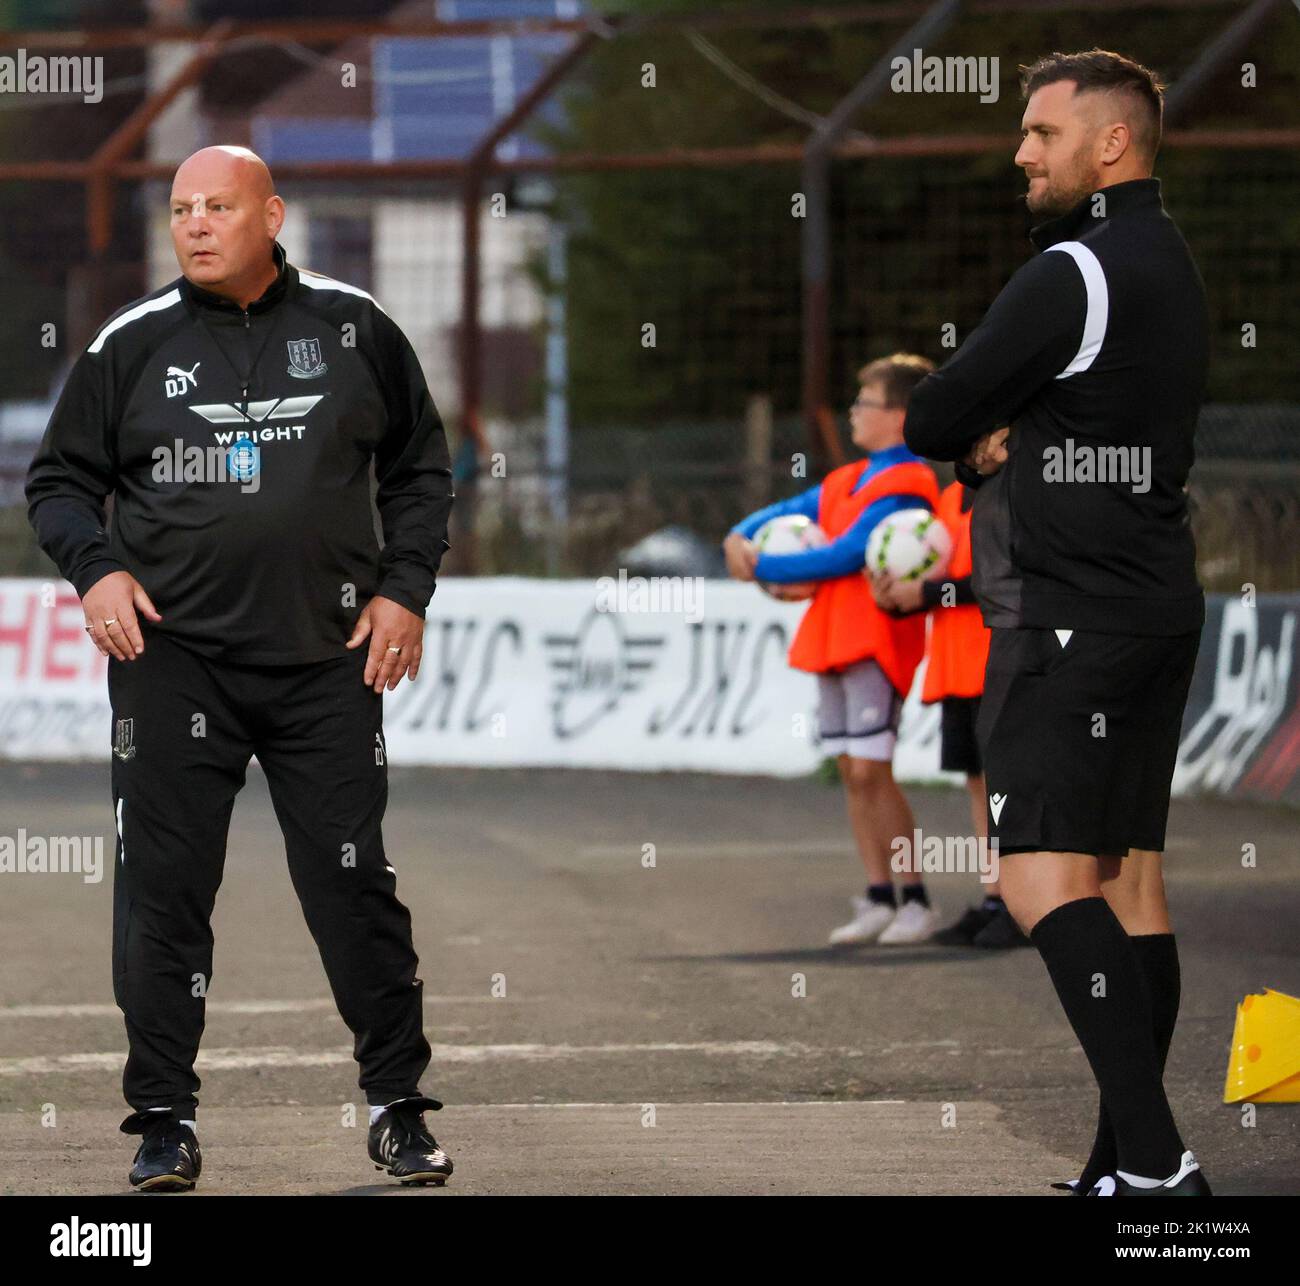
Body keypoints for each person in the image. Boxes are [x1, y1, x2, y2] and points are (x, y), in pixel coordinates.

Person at [26, 146, 455, 1191]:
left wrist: (405, 588)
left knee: (353, 884)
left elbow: (421, 469)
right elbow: (57, 482)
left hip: (328, 661)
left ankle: (399, 1106)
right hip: (174, 663)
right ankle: (163, 1121)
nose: (196, 224)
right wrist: (97, 572)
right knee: (163, 893)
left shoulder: (355, 328)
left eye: (218, 206)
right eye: (180, 209)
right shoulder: (131, 344)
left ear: (272, 214)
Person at [904, 51, 1211, 1195]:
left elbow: (937, 407)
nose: (1021, 153)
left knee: (1036, 879)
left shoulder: (1070, 270)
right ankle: (1115, 1165)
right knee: (1128, 882)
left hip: (1067, 617)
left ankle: (1159, 1164)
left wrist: (992, 432)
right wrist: (1025, 432)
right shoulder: (1169, 261)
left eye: (1042, 132)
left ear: (1111, 144)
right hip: (1153, 609)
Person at [725, 354, 941, 946]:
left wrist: (762, 563)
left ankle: (915, 896)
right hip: (833, 637)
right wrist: (739, 537)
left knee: (873, 767)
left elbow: (848, 553)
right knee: (850, 770)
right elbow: (785, 513)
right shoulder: (847, 479)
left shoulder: (909, 482)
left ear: (898, 415)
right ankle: (878, 894)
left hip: (878, 638)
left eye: (864, 402)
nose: (853, 411)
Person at [873, 477, 1028, 949]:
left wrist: (926, 593)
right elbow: (941, 576)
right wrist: (898, 599)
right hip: (957, 665)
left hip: (1000, 660)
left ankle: (1027, 905)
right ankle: (995, 898)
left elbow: (1002, 582)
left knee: (1009, 789)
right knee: (979, 784)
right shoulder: (948, 498)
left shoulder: (1014, 493)